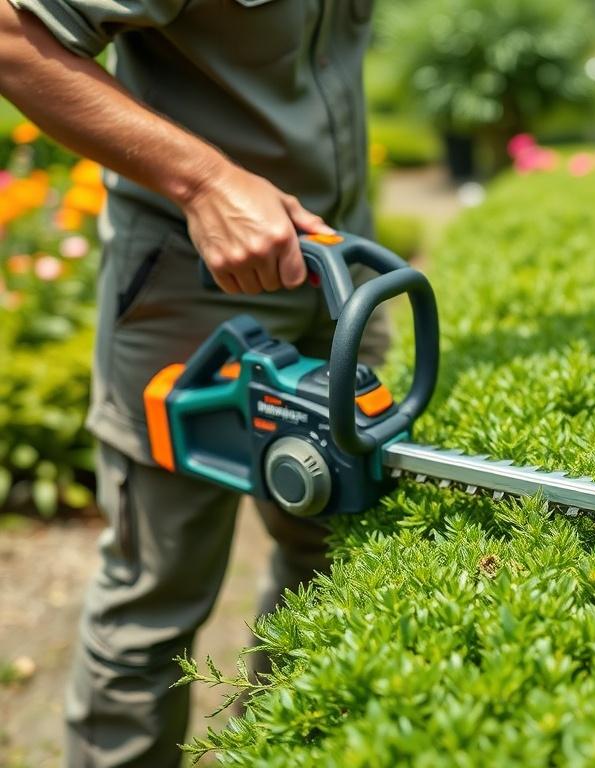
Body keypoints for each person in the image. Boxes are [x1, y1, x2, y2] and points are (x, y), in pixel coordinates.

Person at [0, 1, 388, 765]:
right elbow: (12, 36)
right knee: (157, 595)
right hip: (192, 286)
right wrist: (205, 182)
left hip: (339, 268)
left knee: (329, 549)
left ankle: (277, 746)